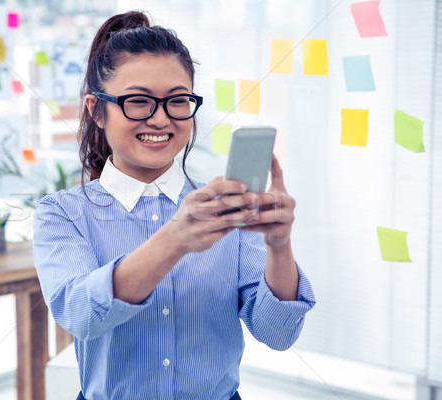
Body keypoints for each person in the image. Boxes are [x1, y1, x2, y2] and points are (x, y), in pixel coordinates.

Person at [33, 10, 316, 400]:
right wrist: (176, 238)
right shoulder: (62, 213)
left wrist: (279, 246)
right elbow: (80, 315)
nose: (161, 119)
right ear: (96, 110)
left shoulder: (225, 209)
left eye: (177, 101)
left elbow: (279, 333)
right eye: (138, 101)